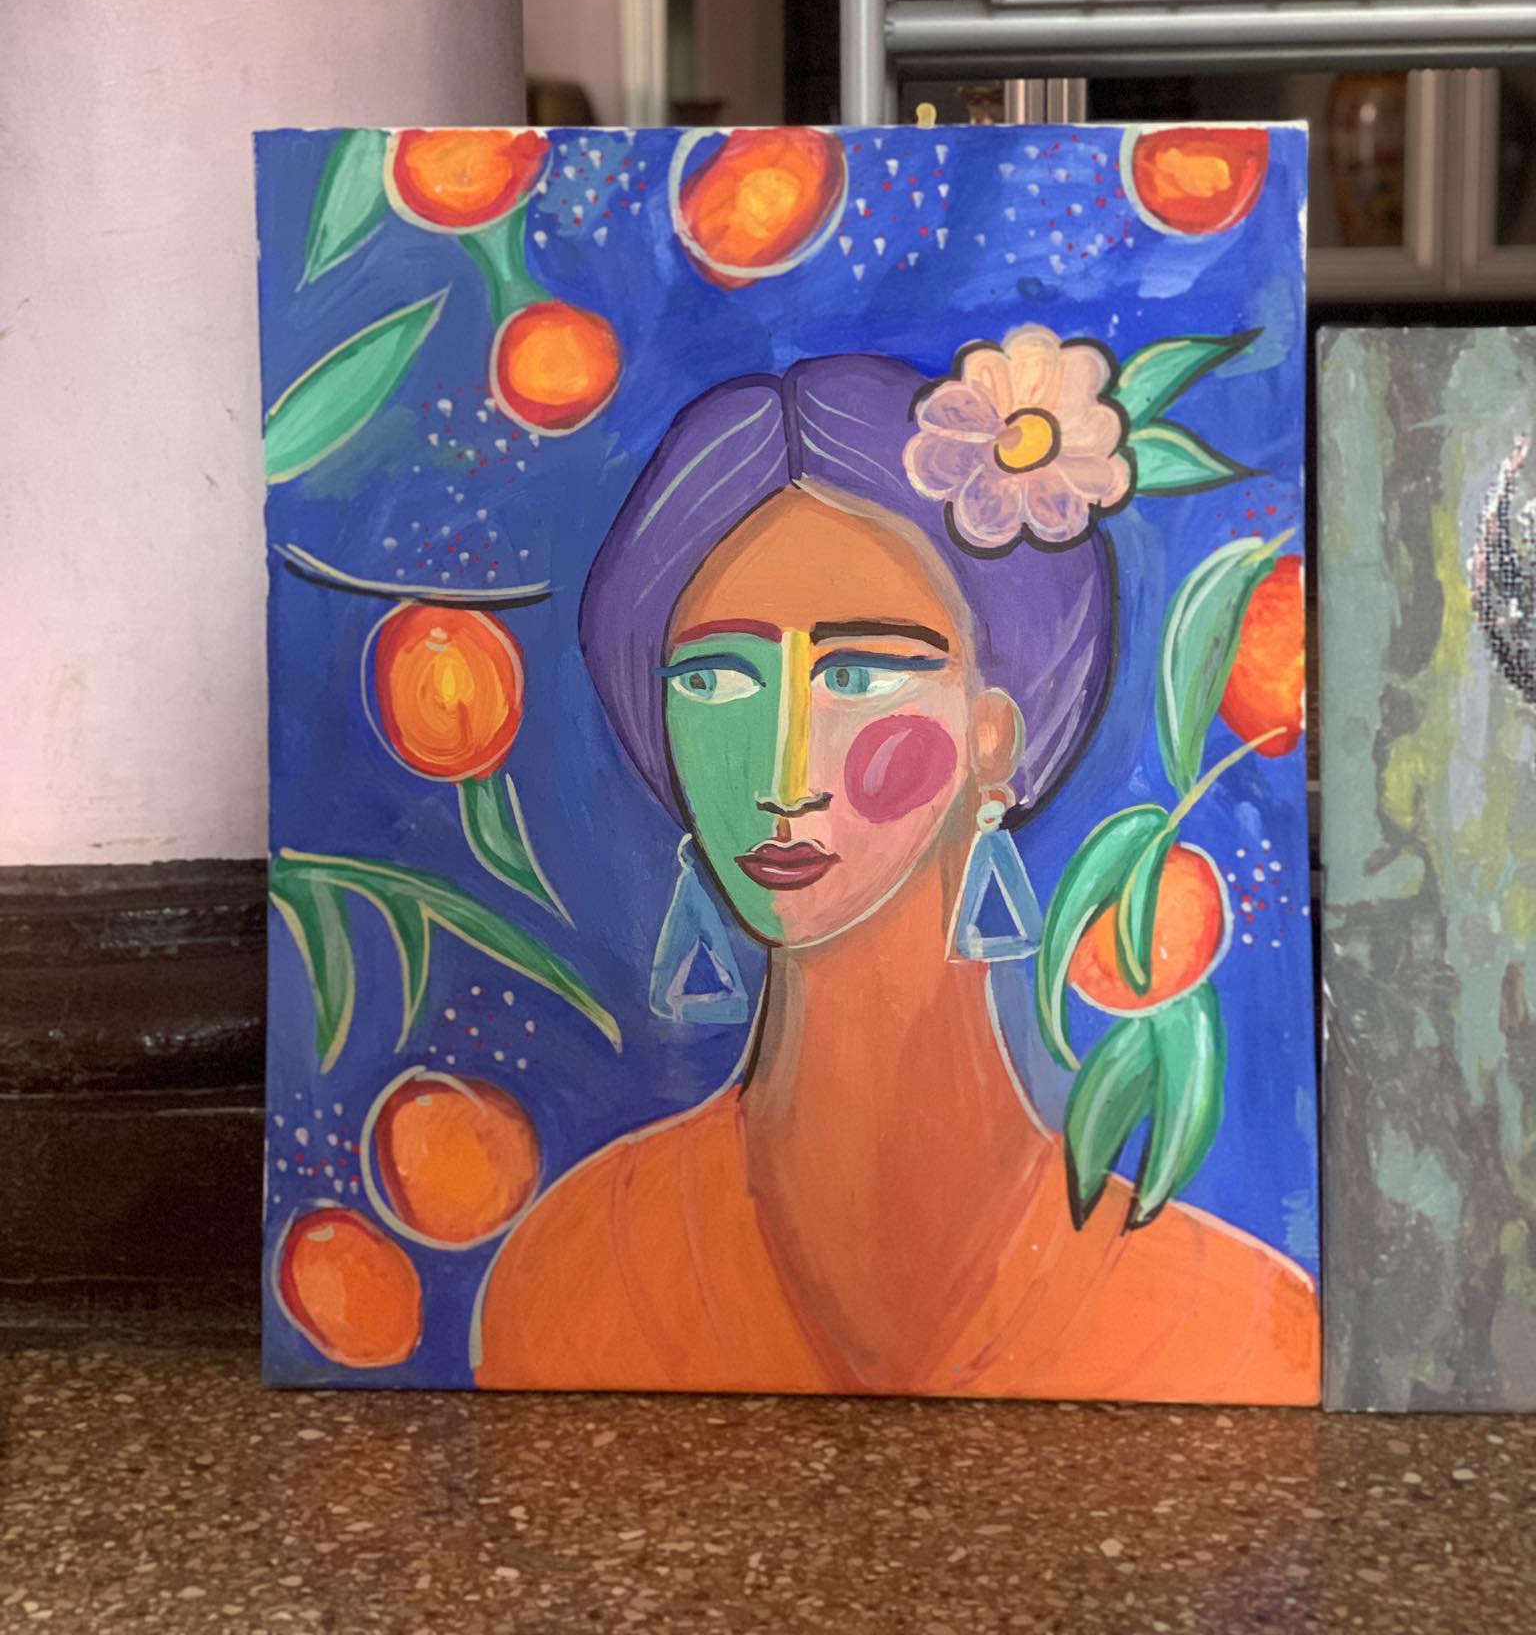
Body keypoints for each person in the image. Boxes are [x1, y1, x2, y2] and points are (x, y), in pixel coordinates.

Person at [473, 344, 1318, 1400]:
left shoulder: (1227, 1326)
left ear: (993, 736)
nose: (782, 773)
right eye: (717, 679)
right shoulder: (573, 1278)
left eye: (861, 674)